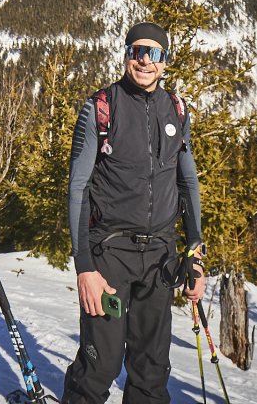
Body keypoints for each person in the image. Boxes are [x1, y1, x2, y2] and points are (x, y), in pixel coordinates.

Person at [62, 22, 205, 403]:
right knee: (100, 366)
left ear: (164, 61)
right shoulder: (100, 108)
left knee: (151, 370)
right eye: (137, 50)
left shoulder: (176, 109)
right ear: (126, 54)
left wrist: (195, 250)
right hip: (109, 255)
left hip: (160, 257)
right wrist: (84, 268)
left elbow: (188, 182)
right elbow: (77, 188)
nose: (144, 59)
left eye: (153, 53)